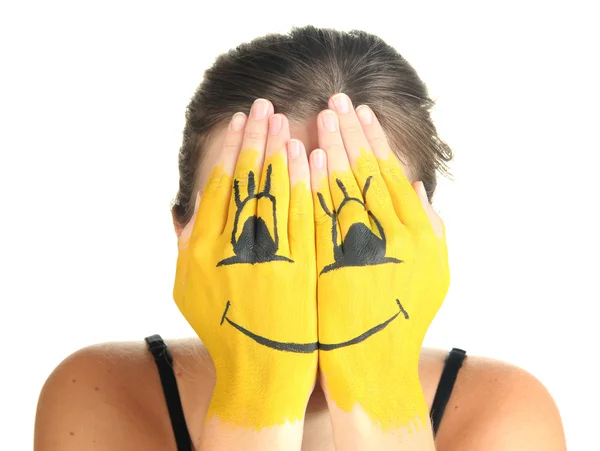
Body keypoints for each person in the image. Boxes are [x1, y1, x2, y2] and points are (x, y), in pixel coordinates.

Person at [34, 25, 566, 451]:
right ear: (183, 231)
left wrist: (379, 389)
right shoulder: (100, 395)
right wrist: (258, 393)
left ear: (429, 238)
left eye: (355, 234)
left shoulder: (505, 413)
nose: (301, 271)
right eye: (257, 230)